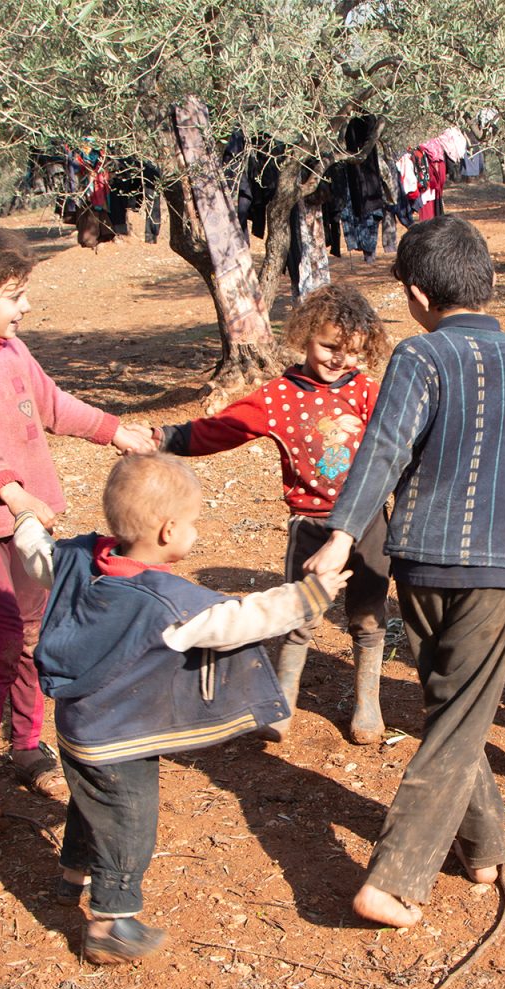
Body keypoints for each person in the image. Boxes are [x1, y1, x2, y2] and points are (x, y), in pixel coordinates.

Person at [304, 215, 505, 928]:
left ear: (414, 293)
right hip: (499, 568)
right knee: (460, 713)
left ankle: (482, 846)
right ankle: (396, 879)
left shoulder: (419, 357)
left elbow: (382, 452)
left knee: (450, 706)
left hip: (423, 560)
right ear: (488, 284)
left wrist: (343, 538)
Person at [13, 453, 351, 961]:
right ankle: (111, 923)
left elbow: (34, 550)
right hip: (121, 738)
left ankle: (71, 876)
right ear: (169, 531)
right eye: (193, 523)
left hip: (77, 727)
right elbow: (241, 619)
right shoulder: (169, 604)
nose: (195, 531)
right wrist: (310, 596)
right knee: (129, 819)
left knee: (91, 803)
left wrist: (23, 517)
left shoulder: (73, 560)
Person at [0, 230, 155, 835]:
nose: (23, 308)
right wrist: (13, 492)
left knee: (34, 635)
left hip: (30, 522)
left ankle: (25, 745)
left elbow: (53, 406)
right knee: (3, 643)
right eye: (12, 296)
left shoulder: (13, 351)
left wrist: (116, 432)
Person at [155, 283, 394, 744]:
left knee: (367, 615)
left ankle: (369, 700)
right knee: (298, 616)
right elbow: (222, 429)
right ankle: (281, 697)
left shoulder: (369, 395)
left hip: (366, 522)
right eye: (328, 346)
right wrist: (164, 437)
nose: (338, 359)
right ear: (304, 335)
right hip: (309, 523)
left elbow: (399, 446)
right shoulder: (280, 396)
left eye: (351, 351)